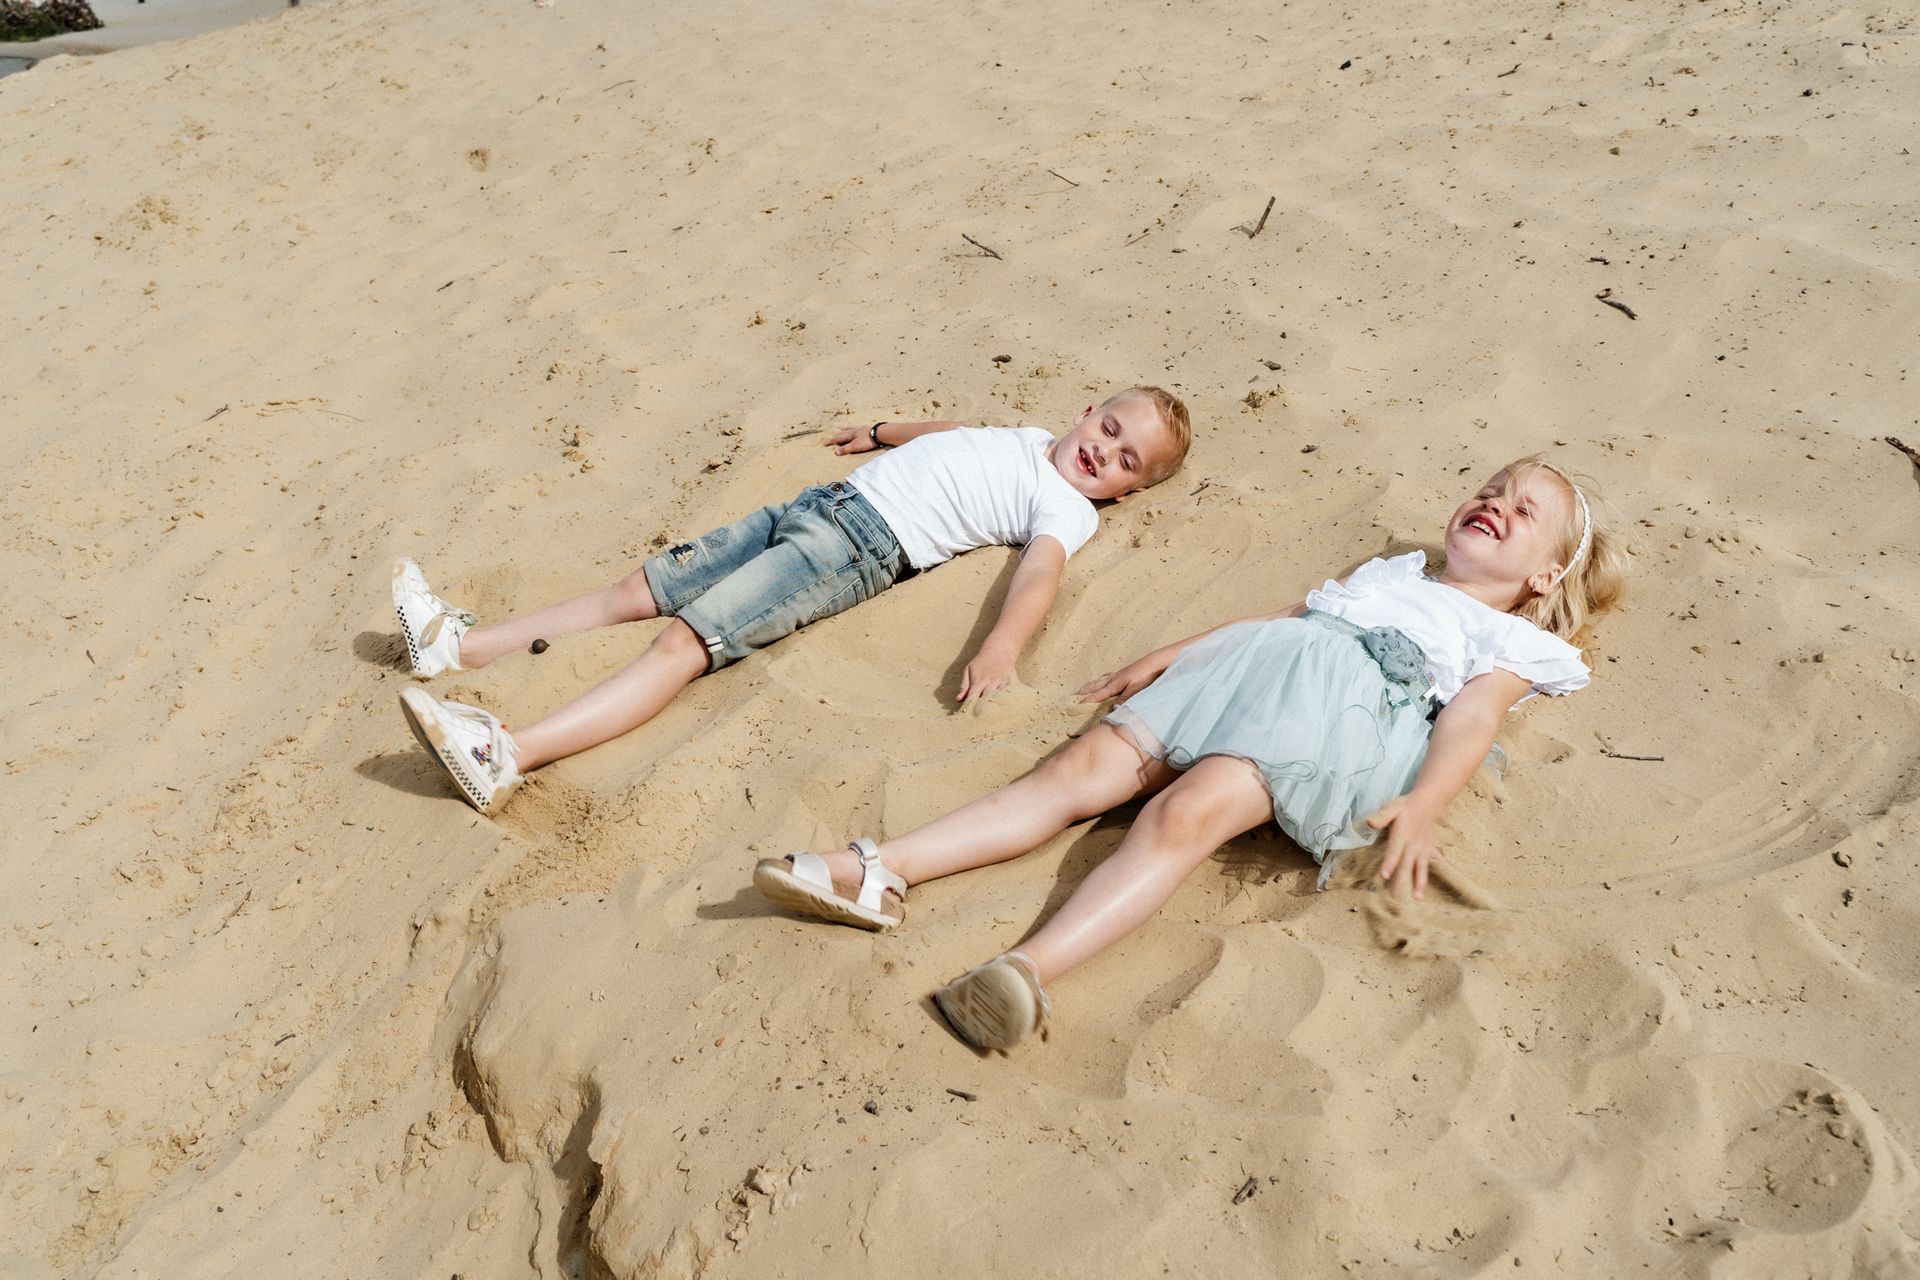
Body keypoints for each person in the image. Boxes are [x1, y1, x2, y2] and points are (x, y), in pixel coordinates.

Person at [753, 456, 1627, 1051]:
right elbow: (1283, 622)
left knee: (1181, 815)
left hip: (1332, 718)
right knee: (1074, 777)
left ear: (1546, 577)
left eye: (1524, 513)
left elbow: (1472, 719)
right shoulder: (1394, 571)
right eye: (1493, 488)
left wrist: (1426, 804)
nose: (1496, 506)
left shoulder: (1507, 638)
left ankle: (1024, 972)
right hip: (1245, 672)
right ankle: (876, 869)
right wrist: (1170, 654)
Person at [391, 387, 1191, 814]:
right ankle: (458, 646)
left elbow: (1039, 574)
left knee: (686, 642)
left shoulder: (1066, 509)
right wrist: (884, 430)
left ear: (1125, 493)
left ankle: (510, 756)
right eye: (1110, 428)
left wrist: (1002, 647)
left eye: (1127, 462)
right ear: (1087, 408)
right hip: (818, 505)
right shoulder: (1027, 439)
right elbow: (958, 431)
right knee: (640, 591)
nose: (1103, 453)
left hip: (853, 549)